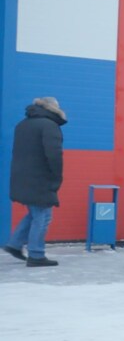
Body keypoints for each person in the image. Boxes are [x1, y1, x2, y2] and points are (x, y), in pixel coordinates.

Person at [3, 97, 66, 267]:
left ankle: (15, 244)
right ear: (53, 109)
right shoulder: (49, 126)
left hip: (23, 178)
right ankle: (36, 255)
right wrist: (56, 177)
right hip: (40, 179)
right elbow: (53, 155)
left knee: (35, 213)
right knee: (43, 216)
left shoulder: (22, 124)